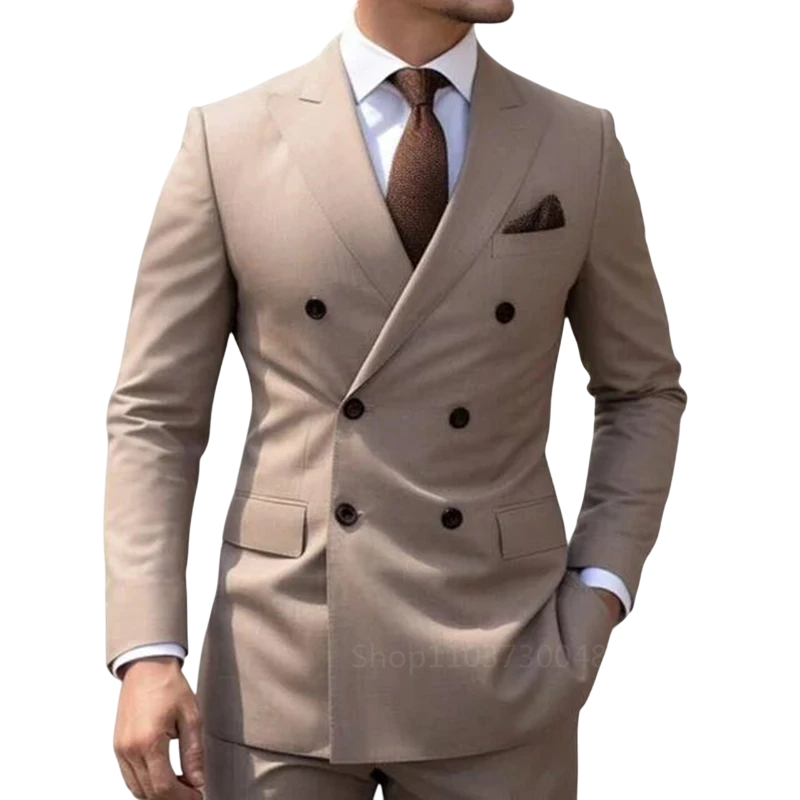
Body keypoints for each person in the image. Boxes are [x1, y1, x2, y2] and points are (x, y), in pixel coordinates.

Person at [104, 1, 687, 797]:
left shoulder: (577, 142)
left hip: (507, 662)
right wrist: (147, 650)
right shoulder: (229, 141)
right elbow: (156, 416)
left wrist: (601, 588)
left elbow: (642, 389)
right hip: (286, 661)